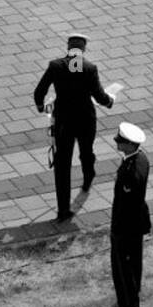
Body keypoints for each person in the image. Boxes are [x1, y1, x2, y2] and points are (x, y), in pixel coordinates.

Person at [33, 33, 115, 221]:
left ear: (68, 48)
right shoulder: (89, 68)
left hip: (63, 122)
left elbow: (39, 91)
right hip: (86, 119)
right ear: (83, 49)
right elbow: (99, 95)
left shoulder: (55, 66)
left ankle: (63, 211)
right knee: (86, 152)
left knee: (62, 165)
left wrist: (41, 107)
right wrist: (109, 101)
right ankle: (88, 177)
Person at [110, 122, 151, 307]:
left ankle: (128, 303)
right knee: (135, 260)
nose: (116, 142)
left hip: (126, 225)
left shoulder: (130, 173)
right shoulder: (141, 158)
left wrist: (117, 228)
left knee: (122, 266)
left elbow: (125, 204)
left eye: (120, 140)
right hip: (137, 221)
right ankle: (135, 290)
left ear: (129, 144)